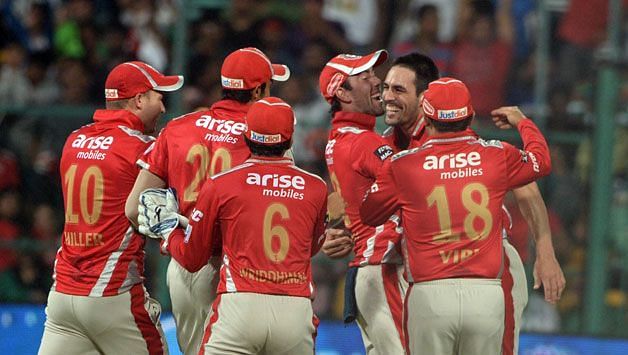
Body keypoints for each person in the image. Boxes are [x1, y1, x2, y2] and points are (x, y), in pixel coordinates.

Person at [381, 52, 565, 355]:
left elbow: (527, 189)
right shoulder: (388, 145)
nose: (387, 97)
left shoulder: (456, 138)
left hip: (488, 268)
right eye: (385, 88)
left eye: (398, 90)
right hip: (427, 275)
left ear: (425, 98)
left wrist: (545, 253)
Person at [125, 47, 290, 355]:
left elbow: (135, 208)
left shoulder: (177, 128)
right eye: (270, 86)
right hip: (241, 272)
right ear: (257, 90)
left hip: (184, 268)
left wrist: (175, 233)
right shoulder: (265, 135)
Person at [138, 97, 327, 354]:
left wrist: (169, 230)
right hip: (295, 308)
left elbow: (192, 258)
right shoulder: (316, 187)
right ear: (290, 141)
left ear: (247, 137)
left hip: (240, 304)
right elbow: (313, 247)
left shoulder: (221, 183)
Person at [38, 61, 183, 355]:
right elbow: (152, 213)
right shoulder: (144, 148)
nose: (164, 108)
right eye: (159, 97)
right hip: (113, 297)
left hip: (63, 296)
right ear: (139, 100)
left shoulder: (74, 140)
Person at [319, 50, 406, 354]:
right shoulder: (363, 141)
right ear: (341, 91)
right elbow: (413, 185)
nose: (377, 80)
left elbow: (343, 200)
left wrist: (335, 227)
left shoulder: (340, 138)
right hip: (383, 265)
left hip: (368, 267)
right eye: (365, 76)